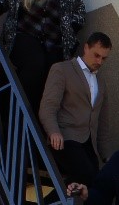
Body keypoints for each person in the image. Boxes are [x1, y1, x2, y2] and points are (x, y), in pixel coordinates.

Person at [7, 0, 86, 113]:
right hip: (26, 35)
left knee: (52, 81)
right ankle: (24, 113)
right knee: (34, 67)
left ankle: (42, 121)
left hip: (54, 41)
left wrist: (71, 28)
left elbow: (80, 10)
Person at [38, 31, 111, 190]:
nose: (99, 61)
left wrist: (106, 155)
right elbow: (48, 106)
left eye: (104, 58)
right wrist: (53, 131)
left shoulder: (101, 81)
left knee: (95, 184)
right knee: (86, 175)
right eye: (96, 55)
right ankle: (51, 203)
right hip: (66, 137)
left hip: (89, 143)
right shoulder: (62, 69)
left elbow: (102, 121)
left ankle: (57, 203)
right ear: (86, 48)